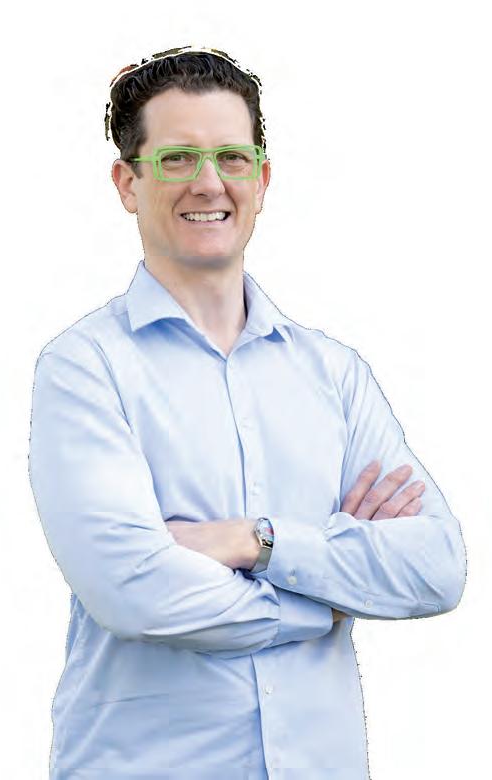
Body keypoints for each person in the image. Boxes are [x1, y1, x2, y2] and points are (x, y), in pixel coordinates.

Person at [28, 46, 467, 779]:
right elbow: (132, 591)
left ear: (261, 180)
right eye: (176, 158)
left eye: (231, 157)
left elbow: (436, 567)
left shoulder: (333, 375)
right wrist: (325, 596)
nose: (209, 183)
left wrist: (255, 543)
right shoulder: (85, 368)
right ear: (127, 183)